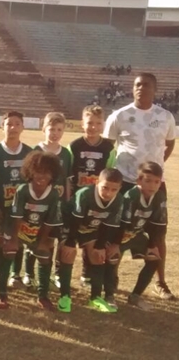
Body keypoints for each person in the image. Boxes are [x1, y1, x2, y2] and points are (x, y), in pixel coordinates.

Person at [104, 73, 176, 300]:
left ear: (155, 88)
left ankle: (161, 282)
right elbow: (108, 148)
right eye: (137, 84)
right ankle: (112, 277)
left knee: (158, 233)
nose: (140, 88)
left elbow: (170, 144)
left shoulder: (165, 116)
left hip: (155, 185)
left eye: (145, 85)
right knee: (119, 231)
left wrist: (157, 169)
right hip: (125, 182)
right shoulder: (120, 115)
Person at [4, 151, 63, 310]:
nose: (42, 176)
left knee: (44, 256)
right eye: (38, 171)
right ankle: (2, 293)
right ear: (30, 171)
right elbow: (16, 216)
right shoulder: (23, 190)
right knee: (8, 251)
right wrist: (14, 239)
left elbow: (50, 221)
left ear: (53, 174)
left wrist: (43, 241)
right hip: (19, 231)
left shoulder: (53, 194)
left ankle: (42, 296)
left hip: (37, 234)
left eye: (47, 172)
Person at [59, 168, 123, 313]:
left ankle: (94, 298)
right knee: (68, 254)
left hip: (90, 228)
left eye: (114, 190)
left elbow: (108, 225)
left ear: (119, 188)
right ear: (96, 183)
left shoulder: (119, 200)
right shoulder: (85, 194)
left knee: (98, 256)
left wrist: (100, 246)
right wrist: (70, 243)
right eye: (105, 187)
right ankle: (64, 297)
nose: (108, 193)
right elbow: (75, 220)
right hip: (69, 225)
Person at [68, 105, 115, 288]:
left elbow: (111, 172)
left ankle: (86, 275)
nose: (93, 127)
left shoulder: (109, 148)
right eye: (89, 123)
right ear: (82, 124)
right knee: (70, 234)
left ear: (103, 125)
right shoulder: (74, 146)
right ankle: (59, 272)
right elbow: (69, 173)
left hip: (98, 200)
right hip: (78, 199)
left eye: (97, 123)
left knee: (92, 235)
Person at [28, 112, 72, 289]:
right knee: (33, 238)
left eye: (59, 129)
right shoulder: (35, 151)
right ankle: (29, 274)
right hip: (37, 205)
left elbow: (68, 179)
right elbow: (29, 178)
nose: (55, 133)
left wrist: (67, 202)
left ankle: (52, 275)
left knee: (52, 240)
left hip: (57, 206)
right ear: (43, 129)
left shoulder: (66, 154)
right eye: (51, 129)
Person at [0, 111, 32, 289]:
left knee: (19, 238)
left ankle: (15, 275)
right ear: (2, 127)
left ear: (22, 127)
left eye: (17, 124)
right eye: (9, 124)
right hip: (1, 206)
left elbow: (32, 181)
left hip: (21, 208)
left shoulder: (30, 152)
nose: (13, 128)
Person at [115, 162, 166, 311]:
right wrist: (115, 245)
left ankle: (135, 296)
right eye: (148, 180)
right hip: (119, 234)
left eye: (156, 182)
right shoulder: (131, 195)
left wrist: (152, 246)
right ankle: (109, 294)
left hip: (136, 234)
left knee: (155, 259)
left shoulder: (159, 196)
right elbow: (122, 223)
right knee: (112, 262)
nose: (152, 185)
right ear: (138, 181)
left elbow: (158, 225)